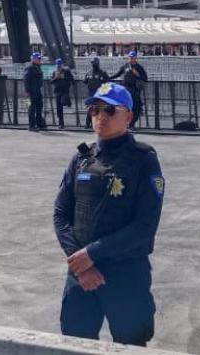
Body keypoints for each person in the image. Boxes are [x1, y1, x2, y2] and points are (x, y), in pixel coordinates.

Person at [53, 82, 164, 346]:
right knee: (75, 343)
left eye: (109, 110)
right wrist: (81, 264)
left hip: (125, 273)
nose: (100, 116)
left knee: (131, 344)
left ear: (128, 116)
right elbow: (60, 214)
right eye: (95, 110)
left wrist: (93, 254)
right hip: (81, 273)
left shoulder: (143, 160)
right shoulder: (82, 158)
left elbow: (145, 226)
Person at [112, 52, 148, 130]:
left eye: (133, 57)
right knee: (123, 107)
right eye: (130, 57)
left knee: (136, 108)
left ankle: (131, 124)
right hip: (126, 89)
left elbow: (145, 78)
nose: (131, 59)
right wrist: (108, 78)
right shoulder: (126, 66)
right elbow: (118, 74)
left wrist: (138, 75)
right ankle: (122, 124)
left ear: (135, 58)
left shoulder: (139, 67)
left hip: (135, 90)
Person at [82, 59, 110, 130]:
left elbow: (108, 83)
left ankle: (99, 124)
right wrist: (86, 78)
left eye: (94, 63)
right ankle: (88, 124)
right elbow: (84, 81)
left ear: (97, 63)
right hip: (91, 93)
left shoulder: (102, 73)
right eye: (92, 63)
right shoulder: (89, 73)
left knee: (100, 109)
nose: (93, 64)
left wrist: (103, 92)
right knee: (90, 108)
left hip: (99, 94)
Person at [52, 58, 76, 130]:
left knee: (64, 102)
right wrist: (56, 77)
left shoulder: (66, 71)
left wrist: (64, 77)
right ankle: (61, 123)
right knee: (59, 108)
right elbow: (51, 81)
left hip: (65, 91)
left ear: (62, 65)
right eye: (57, 65)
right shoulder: (55, 72)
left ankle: (68, 102)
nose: (58, 66)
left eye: (60, 65)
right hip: (57, 91)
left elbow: (72, 79)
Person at [24, 52, 46, 131]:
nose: (40, 60)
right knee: (31, 109)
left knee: (39, 107)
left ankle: (39, 124)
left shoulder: (38, 67)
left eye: (40, 58)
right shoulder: (29, 68)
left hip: (37, 90)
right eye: (38, 58)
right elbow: (26, 80)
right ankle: (31, 126)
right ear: (34, 59)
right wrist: (27, 91)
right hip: (31, 92)